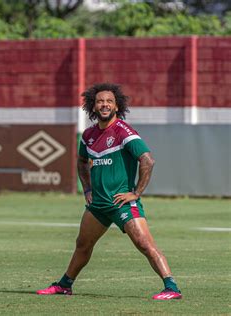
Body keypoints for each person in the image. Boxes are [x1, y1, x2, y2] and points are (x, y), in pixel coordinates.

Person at [37, 83, 181, 300]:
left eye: (109, 102)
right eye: (100, 101)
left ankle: (171, 287)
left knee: (145, 244)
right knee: (82, 245)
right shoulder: (88, 135)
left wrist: (136, 193)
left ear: (116, 106)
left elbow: (147, 160)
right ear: (93, 106)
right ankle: (65, 285)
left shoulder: (124, 132)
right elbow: (82, 162)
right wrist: (87, 189)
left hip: (122, 203)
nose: (104, 105)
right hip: (98, 206)